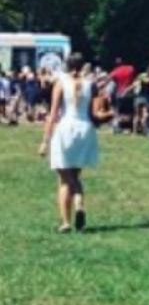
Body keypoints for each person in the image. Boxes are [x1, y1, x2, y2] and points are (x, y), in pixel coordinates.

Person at [38, 54, 112, 233]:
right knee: (74, 176)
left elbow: (54, 113)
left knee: (64, 178)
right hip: (85, 129)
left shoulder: (61, 82)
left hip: (66, 128)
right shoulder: (91, 84)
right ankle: (78, 204)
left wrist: (45, 141)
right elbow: (95, 113)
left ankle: (66, 222)